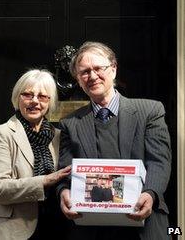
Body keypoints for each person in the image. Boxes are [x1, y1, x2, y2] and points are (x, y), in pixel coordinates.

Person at [57, 41, 172, 240]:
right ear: (78, 79)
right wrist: (64, 192)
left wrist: (151, 193)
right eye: (84, 72)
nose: (92, 76)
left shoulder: (150, 111)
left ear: (114, 69)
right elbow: (65, 170)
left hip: (143, 224)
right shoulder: (70, 124)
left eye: (98, 68)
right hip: (91, 228)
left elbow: (159, 161)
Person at [0, 69, 71, 240]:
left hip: (56, 226)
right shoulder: (1, 133)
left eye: (42, 96)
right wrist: (45, 181)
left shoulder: (59, 136)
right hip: (11, 230)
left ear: (50, 102)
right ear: (18, 98)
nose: (35, 101)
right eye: (28, 95)